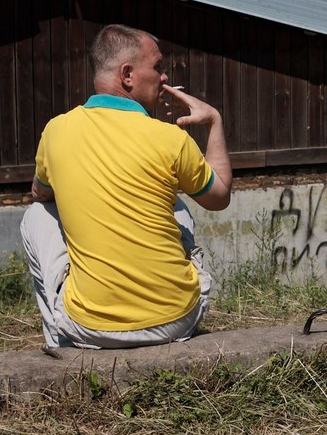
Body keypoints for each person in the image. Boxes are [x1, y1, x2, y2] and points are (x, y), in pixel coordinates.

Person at [20, 24, 232, 349]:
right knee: (177, 205)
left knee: (37, 214)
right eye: (158, 67)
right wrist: (213, 121)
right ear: (128, 75)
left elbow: (40, 194)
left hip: (89, 328)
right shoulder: (170, 138)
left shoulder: (56, 131)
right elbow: (219, 197)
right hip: (177, 320)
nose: (164, 77)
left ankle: (59, 343)